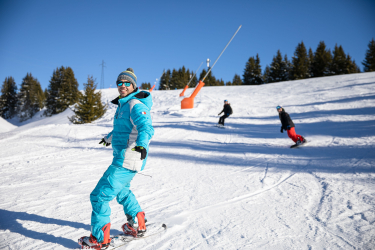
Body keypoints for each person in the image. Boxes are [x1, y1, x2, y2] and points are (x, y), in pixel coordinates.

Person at [79, 68, 154, 249]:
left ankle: (99, 239)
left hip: (128, 157)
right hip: (123, 156)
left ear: (133, 85)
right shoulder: (123, 104)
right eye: (120, 83)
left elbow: (146, 127)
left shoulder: (134, 104)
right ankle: (137, 222)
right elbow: (123, 129)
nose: (122, 86)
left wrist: (142, 145)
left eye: (127, 83)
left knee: (99, 197)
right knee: (122, 191)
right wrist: (109, 138)